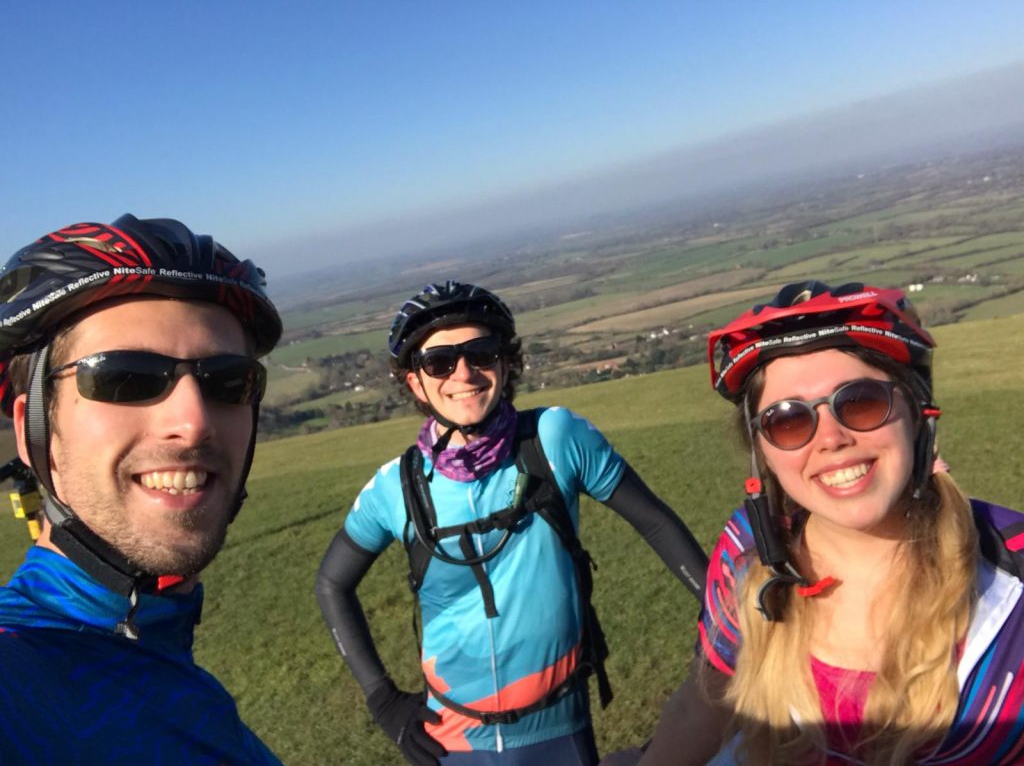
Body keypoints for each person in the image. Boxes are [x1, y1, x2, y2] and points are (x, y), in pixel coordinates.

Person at [627, 281, 1024, 766]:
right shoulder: (750, 546)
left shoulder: (1010, 574)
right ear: (764, 455)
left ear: (918, 414)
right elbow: (702, 704)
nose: (831, 438)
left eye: (860, 402)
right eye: (788, 420)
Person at [316, 281, 709, 766]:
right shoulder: (397, 487)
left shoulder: (554, 440)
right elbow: (332, 583)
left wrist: (724, 622)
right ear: (415, 382)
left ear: (505, 362)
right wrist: (382, 700)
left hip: (559, 726)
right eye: (440, 361)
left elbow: (655, 524)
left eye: (480, 353)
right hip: (449, 740)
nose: (463, 373)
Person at [0, 215, 284, 765]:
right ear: (35, 429)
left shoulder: (158, 651)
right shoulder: (18, 671)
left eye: (229, 381)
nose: (194, 420)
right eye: (124, 376)